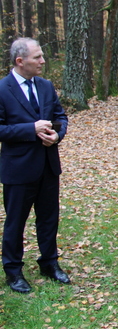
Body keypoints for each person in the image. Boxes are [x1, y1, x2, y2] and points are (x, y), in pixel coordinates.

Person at [0, 38, 70, 293]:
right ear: (20, 61)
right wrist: (30, 129)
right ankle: (13, 271)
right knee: (15, 221)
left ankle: (49, 263)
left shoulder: (46, 86)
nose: (43, 61)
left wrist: (57, 136)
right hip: (18, 169)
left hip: (48, 166)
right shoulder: (2, 89)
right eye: (37, 57)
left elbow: (60, 117)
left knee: (49, 219)